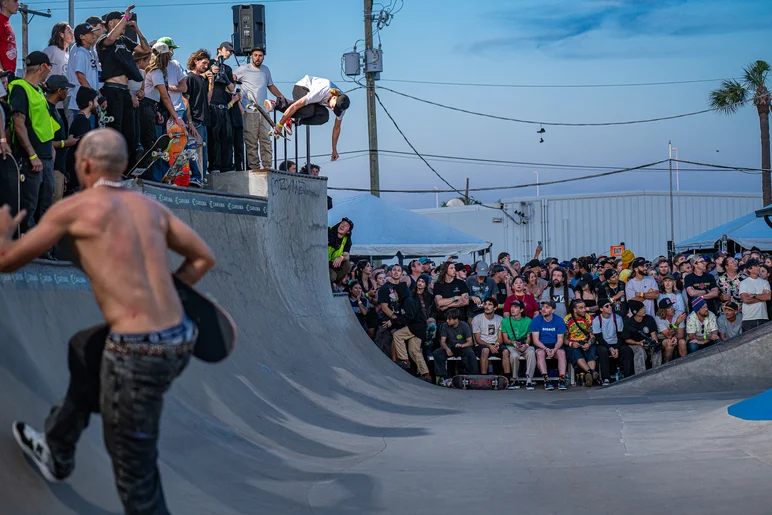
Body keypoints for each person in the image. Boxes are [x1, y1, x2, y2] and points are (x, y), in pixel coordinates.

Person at [3, 128, 215, 514]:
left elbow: (8, 262)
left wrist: (4, 236)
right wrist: (166, 290)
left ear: (83, 164)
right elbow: (203, 259)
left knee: (137, 477)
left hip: (137, 353)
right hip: (180, 338)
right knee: (85, 348)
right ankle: (58, 447)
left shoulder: (74, 208)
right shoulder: (150, 207)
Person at [9, 52, 56, 234]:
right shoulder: (20, 88)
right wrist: (32, 155)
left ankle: (42, 245)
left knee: (45, 203)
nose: (49, 72)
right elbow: (19, 124)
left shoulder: (38, 90)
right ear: (42, 67)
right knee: (29, 204)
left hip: (45, 155)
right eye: (49, 67)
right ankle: (27, 249)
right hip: (31, 158)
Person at [96, 6, 151, 154]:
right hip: (112, 89)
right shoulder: (104, 39)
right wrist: (125, 18)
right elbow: (110, 39)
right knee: (115, 131)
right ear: (112, 22)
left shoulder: (125, 41)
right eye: (120, 19)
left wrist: (137, 29)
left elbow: (146, 50)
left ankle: (127, 168)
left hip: (125, 92)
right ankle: (112, 168)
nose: (125, 23)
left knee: (130, 133)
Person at [270, 75, 350, 160]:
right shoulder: (322, 91)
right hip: (302, 87)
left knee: (324, 117)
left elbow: (337, 128)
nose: (332, 108)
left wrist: (334, 149)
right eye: (333, 106)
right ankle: (278, 104)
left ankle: (294, 120)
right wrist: (280, 125)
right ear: (334, 97)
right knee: (309, 110)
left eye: (334, 109)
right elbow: (295, 106)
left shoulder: (342, 107)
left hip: (314, 101)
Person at [235, 47, 285, 169]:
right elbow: (231, 81)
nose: (258, 58)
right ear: (251, 56)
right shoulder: (243, 69)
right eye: (256, 55)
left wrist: (282, 97)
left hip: (264, 111)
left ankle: (267, 166)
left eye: (260, 56)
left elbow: (270, 85)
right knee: (251, 140)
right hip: (249, 109)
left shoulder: (265, 70)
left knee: (266, 140)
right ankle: (254, 167)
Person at [43, 75, 78, 203]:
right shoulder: (45, 109)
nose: (67, 92)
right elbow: (44, 141)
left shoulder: (54, 109)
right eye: (66, 89)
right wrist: (66, 143)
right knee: (52, 204)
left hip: (59, 167)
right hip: (52, 167)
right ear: (59, 90)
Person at [207, 42, 236, 174]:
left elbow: (231, 88)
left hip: (224, 106)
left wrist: (225, 77)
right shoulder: (209, 63)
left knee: (227, 136)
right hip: (212, 104)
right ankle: (214, 166)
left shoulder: (228, 69)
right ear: (219, 50)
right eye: (227, 50)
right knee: (214, 137)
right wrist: (211, 72)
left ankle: (227, 165)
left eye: (230, 51)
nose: (229, 53)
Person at [391, 291, 431, 382]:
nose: (395, 296)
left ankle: (404, 360)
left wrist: (393, 322)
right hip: (419, 328)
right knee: (414, 351)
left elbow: (409, 316)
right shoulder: (403, 302)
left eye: (396, 293)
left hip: (416, 326)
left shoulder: (408, 301)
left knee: (397, 335)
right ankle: (426, 374)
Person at [432, 308, 478, 387]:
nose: (447, 321)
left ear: (456, 320)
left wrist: (461, 345)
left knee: (470, 353)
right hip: (450, 347)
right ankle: (443, 377)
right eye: (447, 319)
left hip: (462, 347)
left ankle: (474, 376)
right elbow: (442, 341)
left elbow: (470, 342)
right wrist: (447, 349)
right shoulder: (445, 326)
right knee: (437, 354)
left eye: (449, 319)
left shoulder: (464, 325)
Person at [65, 86, 99, 192]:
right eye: (96, 101)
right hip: (78, 175)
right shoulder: (82, 121)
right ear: (90, 103)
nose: (97, 104)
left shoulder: (81, 120)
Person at [185, 49, 212, 178]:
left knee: (203, 153)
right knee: (196, 152)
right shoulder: (190, 78)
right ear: (196, 61)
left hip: (204, 120)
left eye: (207, 64)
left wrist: (211, 83)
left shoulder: (202, 79)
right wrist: (190, 122)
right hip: (195, 121)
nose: (206, 66)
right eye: (204, 63)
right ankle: (196, 178)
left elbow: (207, 99)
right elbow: (186, 100)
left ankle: (201, 178)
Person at [530, 300, 568, 390]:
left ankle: (562, 379)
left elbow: (560, 339)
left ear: (553, 310)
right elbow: (535, 340)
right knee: (540, 354)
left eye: (547, 307)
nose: (543, 309)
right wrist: (545, 349)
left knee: (561, 353)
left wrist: (554, 349)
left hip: (555, 344)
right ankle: (546, 380)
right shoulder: (536, 320)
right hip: (541, 344)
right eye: (543, 307)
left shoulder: (559, 320)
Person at [67, 23, 100, 124]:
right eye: (89, 33)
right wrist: (93, 95)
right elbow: (80, 76)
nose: (93, 35)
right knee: (82, 136)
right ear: (82, 37)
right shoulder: (80, 52)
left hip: (90, 103)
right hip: (81, 104)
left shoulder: (89, 52)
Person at [43, 22, 74, 122]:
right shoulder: (51, 50)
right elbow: (39, 69)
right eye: (69, 31)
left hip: (65, 101)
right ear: (61, 34)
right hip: (52, 101)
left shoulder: (68, 55)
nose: (72, 34)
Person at [501, 299, 536, 390]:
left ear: (521, 310)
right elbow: (505, 339)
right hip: (512, 345)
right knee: (514, 356)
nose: (512, 309)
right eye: (512, 307)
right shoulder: (505, 321)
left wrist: (526, 345)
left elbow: (529, 337)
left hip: (523, 344)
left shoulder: (528, 321)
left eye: (516, 307)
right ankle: (515, 378)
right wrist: (513, 343)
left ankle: (529, 379)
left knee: (531, 351)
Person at [621, 299, 662, 375]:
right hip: (635, 343)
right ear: (635, 312)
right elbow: (627, 340)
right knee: (640, 351)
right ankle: (640, 374)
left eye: (644, 308)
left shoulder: (649, 319)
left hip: (648, 342)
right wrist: (638, 343)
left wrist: (653, 343)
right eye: (642, 309)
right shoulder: (628, 323)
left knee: (657, 349)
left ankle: (657, 372)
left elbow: (653, 335)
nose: (644, 310)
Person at [565, 299, 599, 386]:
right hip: (573, 343)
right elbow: (563, 339)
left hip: (586, 342)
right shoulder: (567, 320)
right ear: (574, 310)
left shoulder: (589, 318)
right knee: (575, 352)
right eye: (581, 308)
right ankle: (591, 372)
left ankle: (589, 374)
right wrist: (571, 344)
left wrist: (589, 343)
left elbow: (592, 335)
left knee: (592, 350)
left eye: (584, 307)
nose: (584, 310)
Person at [592, 298, 626, 384]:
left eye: (611, 305)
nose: (610, 307)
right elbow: (599, 338)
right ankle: (606, 377)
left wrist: (617, 348)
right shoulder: (597, 320)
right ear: (601, 309)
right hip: (603, 343)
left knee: (627, 351)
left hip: (616, 343)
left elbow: (621, 336)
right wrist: (610, 348)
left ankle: (628, 375)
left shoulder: (617, 318)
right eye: (607, 306)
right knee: (603, 351)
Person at [472, 297, 508, 377]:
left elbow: (500, 337)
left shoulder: (500, 319)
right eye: (485, 304)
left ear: (495, 307)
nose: (486, 307)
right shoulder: (476, 319)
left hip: (495, 344)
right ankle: (483, 378)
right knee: (485, 350)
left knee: (505, 351)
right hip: (481, 345)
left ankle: (507, 379)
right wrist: (489, 346)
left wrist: (497, 344)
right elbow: (477, 339)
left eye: (490, 304)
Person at [738, 259, 771, 332]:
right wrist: (762, 297)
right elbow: (745, 299)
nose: (758, 268)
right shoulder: (744, 283)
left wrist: (754, 295)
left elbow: (768, 297)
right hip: (748, 318)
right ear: (749, 269)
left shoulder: (765, 282)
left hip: (763, 317)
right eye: (756, 266)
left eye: (758, 266)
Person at [653, 298, 687, 362]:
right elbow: (668, 336)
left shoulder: (679, 314)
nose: (672, 309)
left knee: (682, 342)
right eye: (669, 308)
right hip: (663, 338)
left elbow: (680, 335)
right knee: (669, 343)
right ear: (663, 311)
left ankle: (685, 363)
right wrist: (677, 322)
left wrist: (675, 337)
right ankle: (667, 366)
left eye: (672, 306)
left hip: (676, 336)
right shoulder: (658, 318)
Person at [328, 217, 353, 287]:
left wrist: (341, 257)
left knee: (347, 265)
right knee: (333, 276)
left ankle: (336, 285)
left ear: (348, 231)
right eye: (342, 223)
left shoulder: (346, 240)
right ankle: (332, 283)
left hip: (332, 263)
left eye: (346, 226)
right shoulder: (328, 230)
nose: (342, 226)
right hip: (322, 262)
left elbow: (347, 256)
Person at [0, 0, 18, 74]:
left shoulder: (6, 22)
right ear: (4, 3)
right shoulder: (1, 21)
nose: (18, 4)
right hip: (3, 74)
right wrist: (1, 73)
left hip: (8, 74)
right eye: (15, 1)